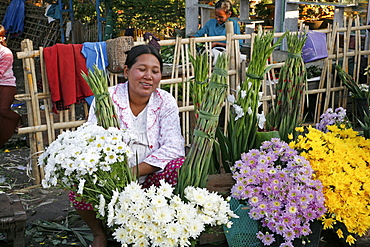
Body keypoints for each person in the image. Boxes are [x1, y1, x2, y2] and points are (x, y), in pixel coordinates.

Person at [69, 44, 185, 247]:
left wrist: (134, 172)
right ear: (126, 71)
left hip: (152, 178)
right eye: (141, 69)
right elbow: (92, 139)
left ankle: (157, 225)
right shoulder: (107, 99)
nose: (148, 76)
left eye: (155, 71)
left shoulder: (165, 101)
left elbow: (174, 146)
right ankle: (99, 233)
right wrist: (116, 175)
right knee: (79, 183)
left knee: (179, 165)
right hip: (112, 178)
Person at [0, 24, 21, 149]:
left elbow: (0, 71)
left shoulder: (6, 53)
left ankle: (18, 119)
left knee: (3, 110)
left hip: (7, 85)